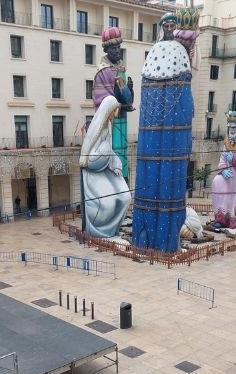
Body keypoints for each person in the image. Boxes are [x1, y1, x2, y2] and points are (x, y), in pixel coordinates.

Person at [132, 8, 200, 252]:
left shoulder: (180, 53)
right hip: (158, 134)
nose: (170, 29)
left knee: (168, 169)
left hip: (172, 132)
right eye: (167, 26)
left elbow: (185, 83)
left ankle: (162, 239)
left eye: (173, 25)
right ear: (163, 28)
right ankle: (152, 238)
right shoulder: (157, 52)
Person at [80, 96, 132, 238]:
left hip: (106, 168)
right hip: (94, 173)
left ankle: (112, 230)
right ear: (108, 110)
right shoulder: (96, 129)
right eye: (114, 110)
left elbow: (109, 150)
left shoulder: (108, 125)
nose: (115, 114)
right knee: (108, 203)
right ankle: (102, 232)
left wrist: (116, 165)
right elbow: (88, 159)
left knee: (126, 197)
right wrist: (104, 152)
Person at [94, 27, 134, 180]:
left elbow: (128, 99)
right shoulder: (103, 71)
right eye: (113, 48)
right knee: (115, 153)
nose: (117, 51)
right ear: (107, 50)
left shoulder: (120, 67)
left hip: (122, 119)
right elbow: (101, 100)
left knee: (122, 154)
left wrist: (129, 90)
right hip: (111, 122)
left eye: (118, 47)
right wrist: (118, 105)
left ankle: (123, 181)